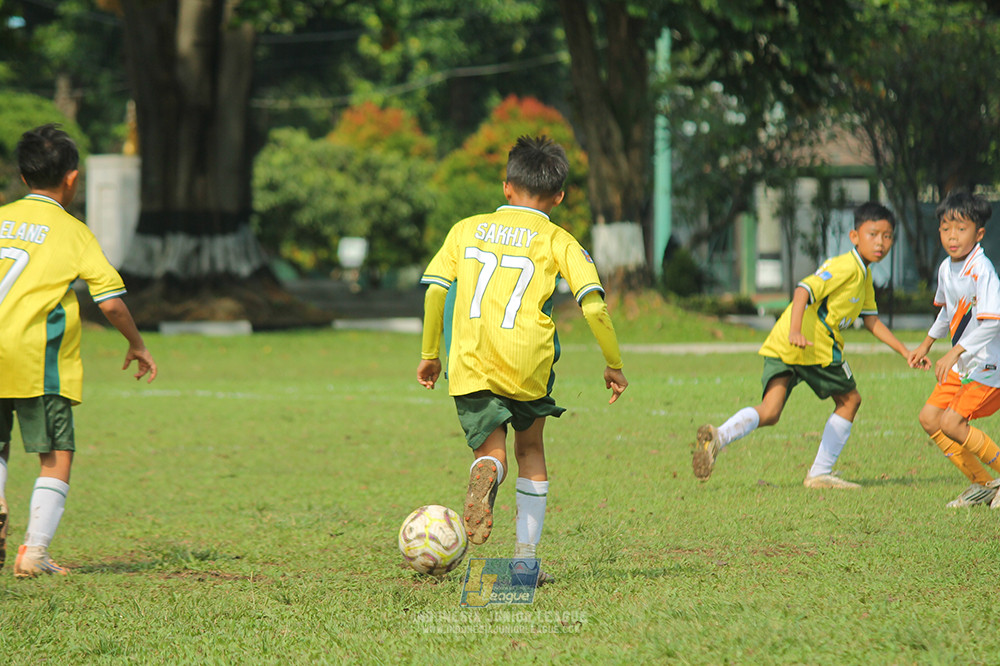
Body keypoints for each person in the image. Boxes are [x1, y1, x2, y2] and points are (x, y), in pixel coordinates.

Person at [417, 135, 627, 584]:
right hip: (528, 361)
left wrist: (430, 354)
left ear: (506, 187)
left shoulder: (465, 229)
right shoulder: (558, 238)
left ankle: (487, 472)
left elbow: (436, 291)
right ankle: (524, 563)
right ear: (559, 196)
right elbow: (593, 304)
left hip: (471, 359)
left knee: (490, 452)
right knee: (530, 449)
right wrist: (613, 363)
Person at [0, 124, 157, 578]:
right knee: (55, 453)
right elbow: (109, 301)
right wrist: (137, 343)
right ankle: (35, 551)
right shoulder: (73, 232)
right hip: (37, 361)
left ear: (24, 175)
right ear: (71, 179)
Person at [692, 201, 915, 488]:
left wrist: (906, 352)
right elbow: (802, 290)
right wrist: (796, 331)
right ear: (854, 236)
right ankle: (820, 473)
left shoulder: (864, 275)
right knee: (850, 400)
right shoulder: (845, 266)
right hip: (812, 347)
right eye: (873, 234)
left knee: (770, 411)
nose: (881, 243)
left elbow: (871, 320)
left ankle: (719, 435)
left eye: (887, 236)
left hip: (783, 343)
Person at [908, 190, 1000, 507]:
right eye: (946, 228)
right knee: (931, 419)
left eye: (961, 228)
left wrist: (954, 352)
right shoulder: (947, 268)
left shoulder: (982, 269)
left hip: (989, 365)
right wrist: (926, 344)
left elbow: (993, 322)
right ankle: (985, 484)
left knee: (952, 423)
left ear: (979, 233)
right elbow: (948, 311)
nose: (952, 236)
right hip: (962, 366)